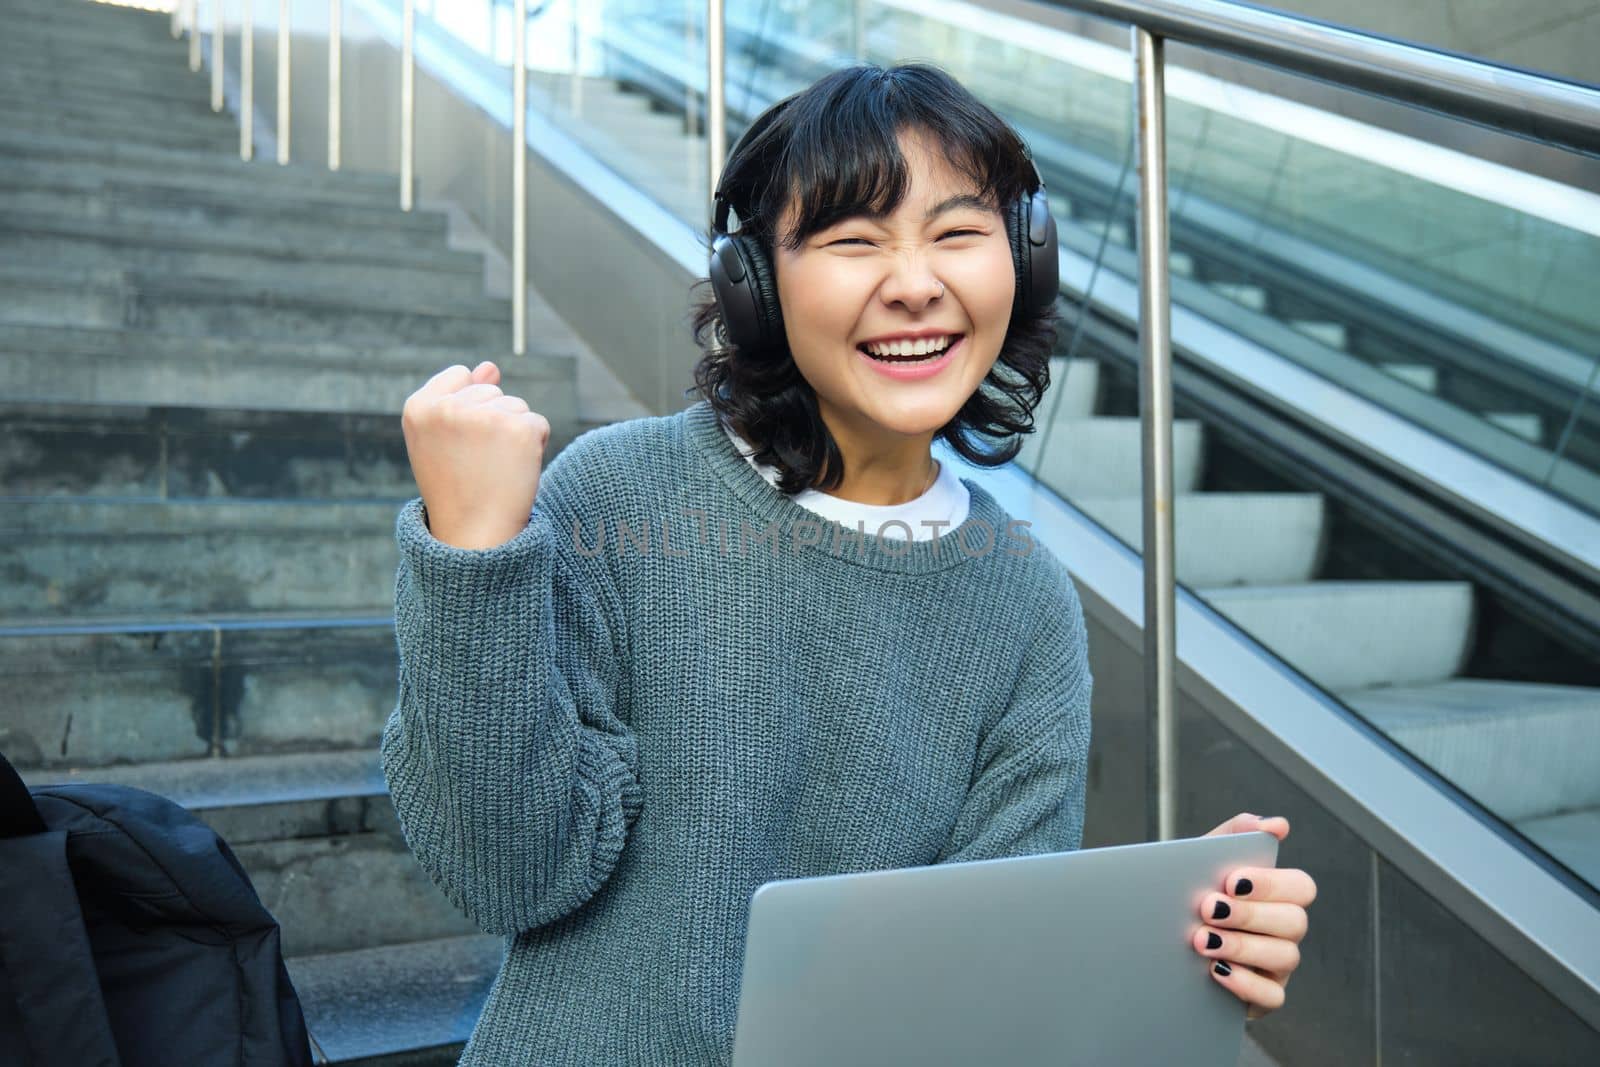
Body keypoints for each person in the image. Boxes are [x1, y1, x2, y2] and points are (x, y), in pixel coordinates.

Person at [386, 62, 1316, 1065]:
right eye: (852, 240)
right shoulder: (614, 498)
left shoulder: (1024, 602)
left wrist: (1169, 960)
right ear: (752, 285)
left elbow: (984, 1002)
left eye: (958, 233)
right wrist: (471, 553)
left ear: (1027, 259)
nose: (915, 283)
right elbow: (506, 873)